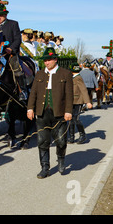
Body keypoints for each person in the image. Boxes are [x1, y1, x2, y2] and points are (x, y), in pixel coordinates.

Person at [27, 47, 73, 178]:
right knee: (42, 141)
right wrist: (30, 108)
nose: (46, 63)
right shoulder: (40, 74)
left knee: (61, 141)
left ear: (55, 59)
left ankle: (61, 160)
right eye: (45, 61)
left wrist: (68, 111)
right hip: (42, 113)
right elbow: (33, 93)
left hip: (59, 113)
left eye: (48, 60)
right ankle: (45, 168)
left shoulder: (66, 73)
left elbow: (69, 95)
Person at [0, 3, 27, 100]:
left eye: (1, 15)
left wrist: (11, 48)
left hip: (8, 53)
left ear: (5, 15)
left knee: (16, 68)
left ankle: (22, 91)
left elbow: (17, 39)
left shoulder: (13, 24)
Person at [68, 63, 93, 144]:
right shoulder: (72, 78)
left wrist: (87, 102)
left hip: (78, 101)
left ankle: (82, 135)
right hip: (71, 101)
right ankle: (71, 137)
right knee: (70, 119)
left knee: (76, 119)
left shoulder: (78, 78)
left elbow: (84, 90)